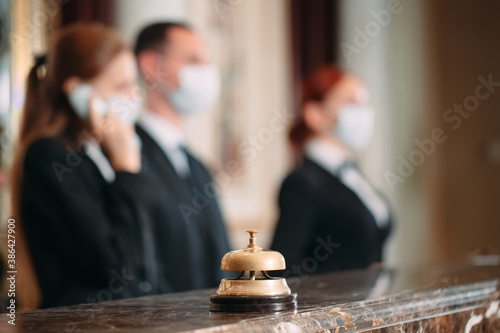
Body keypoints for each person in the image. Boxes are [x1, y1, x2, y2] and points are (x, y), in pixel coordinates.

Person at [10, 23, 159, 308]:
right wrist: (125, 167)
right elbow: (115, 268)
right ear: (78, 92)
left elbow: (147, 260)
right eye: (120, 86)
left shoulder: (98, 151)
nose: (132, 96)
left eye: (134, 84)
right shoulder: (49, 156)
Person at [134, 22, 230, 291]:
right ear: (152, 66)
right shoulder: (130, 157)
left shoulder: (197, 165)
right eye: (193, 60)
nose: (205, 71)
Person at [272, 65, 393, 274]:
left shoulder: (350, 174)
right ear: (314, 114)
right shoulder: (303, 183)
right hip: (338, 304)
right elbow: (283, 267)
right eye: (352, 103)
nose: (363, 113)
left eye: (365, 103)